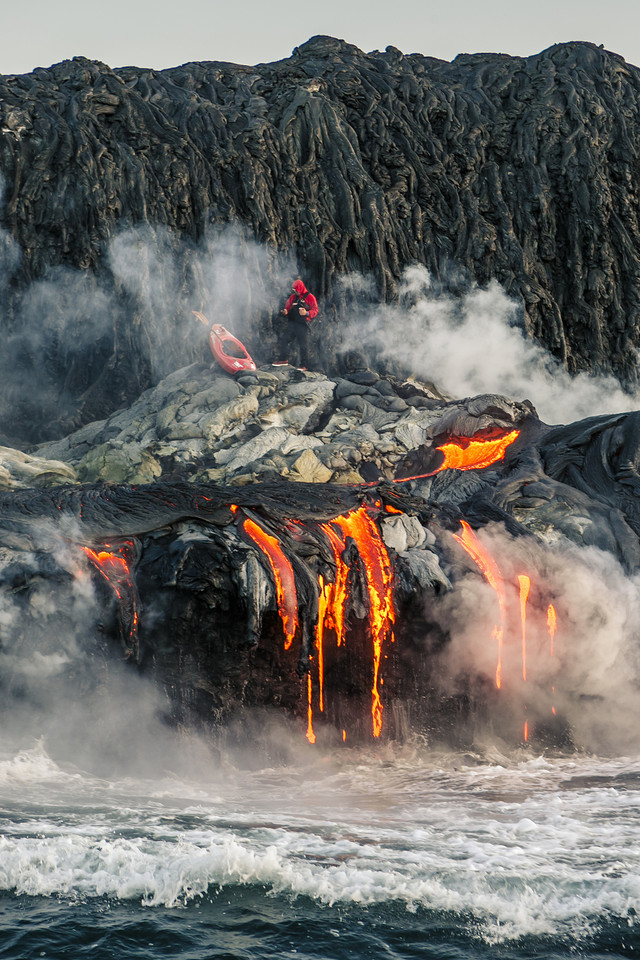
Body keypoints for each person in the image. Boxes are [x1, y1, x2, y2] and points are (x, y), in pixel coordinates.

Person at [279, 279, 319, 369]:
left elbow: (315, 310)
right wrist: (285, 311)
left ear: (300, 288)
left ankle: (304, 365)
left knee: (303, 345)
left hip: (302, 324)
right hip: (292, 324)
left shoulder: (310, 297)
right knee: (284, 340)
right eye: (293, 290)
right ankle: (283, 359)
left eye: (296, 290)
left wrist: (307, 313)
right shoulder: (293, 297)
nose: (295, 291)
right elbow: (288, 307)